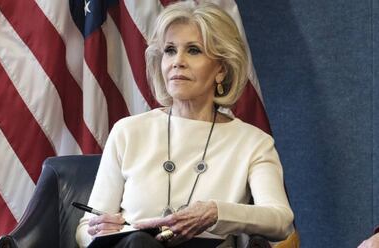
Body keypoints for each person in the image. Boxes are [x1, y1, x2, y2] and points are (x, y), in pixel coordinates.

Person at [76, 1, 294, 247]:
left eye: (193, 50)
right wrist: (98, 231)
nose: (177, 61)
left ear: (221, 69)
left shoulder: (252, 142)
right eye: (170, 50)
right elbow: (85, 229)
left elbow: (280, 219)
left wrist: (215, 212)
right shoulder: (128, 131)